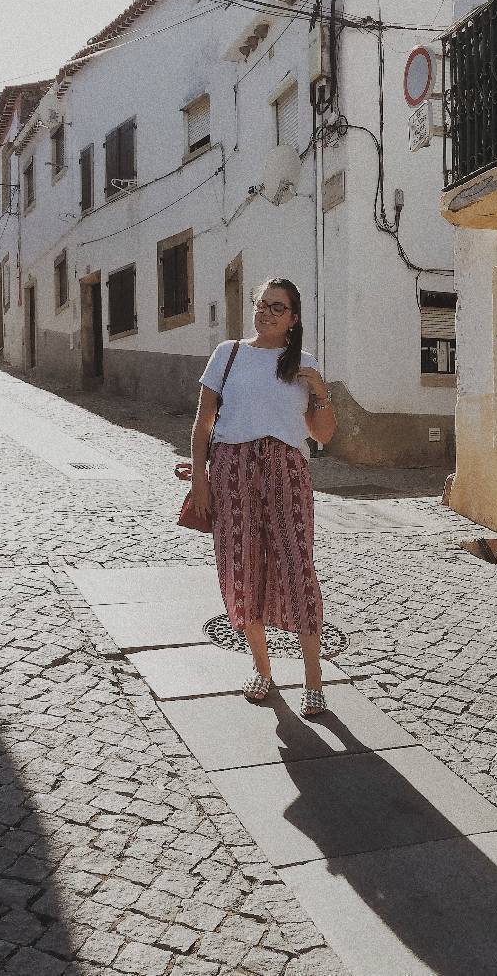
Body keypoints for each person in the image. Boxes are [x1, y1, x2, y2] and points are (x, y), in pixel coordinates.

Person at [190, 277, 336, 716]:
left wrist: (319, 390)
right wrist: (200, 476)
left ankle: (314, 679)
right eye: (262, 304)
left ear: (293, 319)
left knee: (298, 567)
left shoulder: (304, 363)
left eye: (278, 307)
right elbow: (203, 423)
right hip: (231, 471)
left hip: (287, 471)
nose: (267, 312)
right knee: (241, 568)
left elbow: (324, 435)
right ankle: (263, 670)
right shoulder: (228, 354)